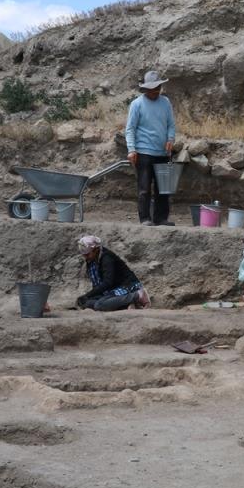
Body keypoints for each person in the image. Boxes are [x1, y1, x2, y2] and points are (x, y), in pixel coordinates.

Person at [125, 70, 175, 226]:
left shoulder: (166, 102)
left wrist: (170, 139)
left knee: (163, 189)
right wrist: (131, 149)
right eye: (152, 89)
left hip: (163, 152)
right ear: (145, 89)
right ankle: (145, 218)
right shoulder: (137, 104)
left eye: (157, 88)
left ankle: (161, 218)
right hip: (144, 152)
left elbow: (171, 125)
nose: (155, 92)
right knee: (144, 188)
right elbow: (130, 128)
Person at [75, 235, 150, 311]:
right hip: (111, 290)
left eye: (87, 254)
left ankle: (137, 296)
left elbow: (108, 282)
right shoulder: (92, 260)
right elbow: (97, 285)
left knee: (99, 305)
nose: (86, 257)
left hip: (125, 286)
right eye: (84, 255)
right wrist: (87, 297)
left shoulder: (107, 258)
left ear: (96, 250)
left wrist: (88, 295)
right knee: (86, 303)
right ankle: (125, 305)